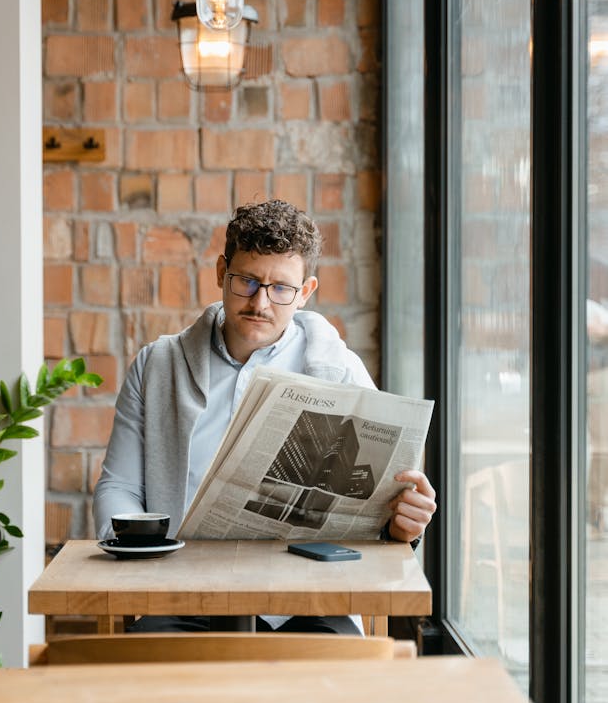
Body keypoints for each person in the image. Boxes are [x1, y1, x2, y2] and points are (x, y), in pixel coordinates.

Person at [93, 199, 437, 633]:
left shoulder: (341, 371)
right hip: (184, 597)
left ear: (306, 292)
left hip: (312, 602)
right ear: (221, 273)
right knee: (146, 673)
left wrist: (406, 520)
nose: (261, 303)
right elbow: (118, 486)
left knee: (345, 679)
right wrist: (138, 556)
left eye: (281, 289)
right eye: (247, 282)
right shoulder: (157, 366)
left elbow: (379, 505)